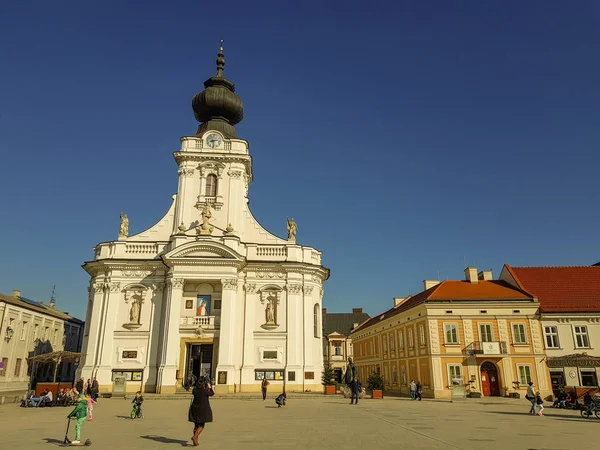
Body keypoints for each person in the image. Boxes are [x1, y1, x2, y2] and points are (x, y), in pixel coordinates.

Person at [188, 377, 214, 447]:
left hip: (195, 408)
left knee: (196, 425)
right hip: (202, 409)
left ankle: (196, 441)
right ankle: (195, 436)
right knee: (202, 425)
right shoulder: (205, 391)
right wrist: (210, 387)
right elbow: (212, 393)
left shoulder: (194, 390)